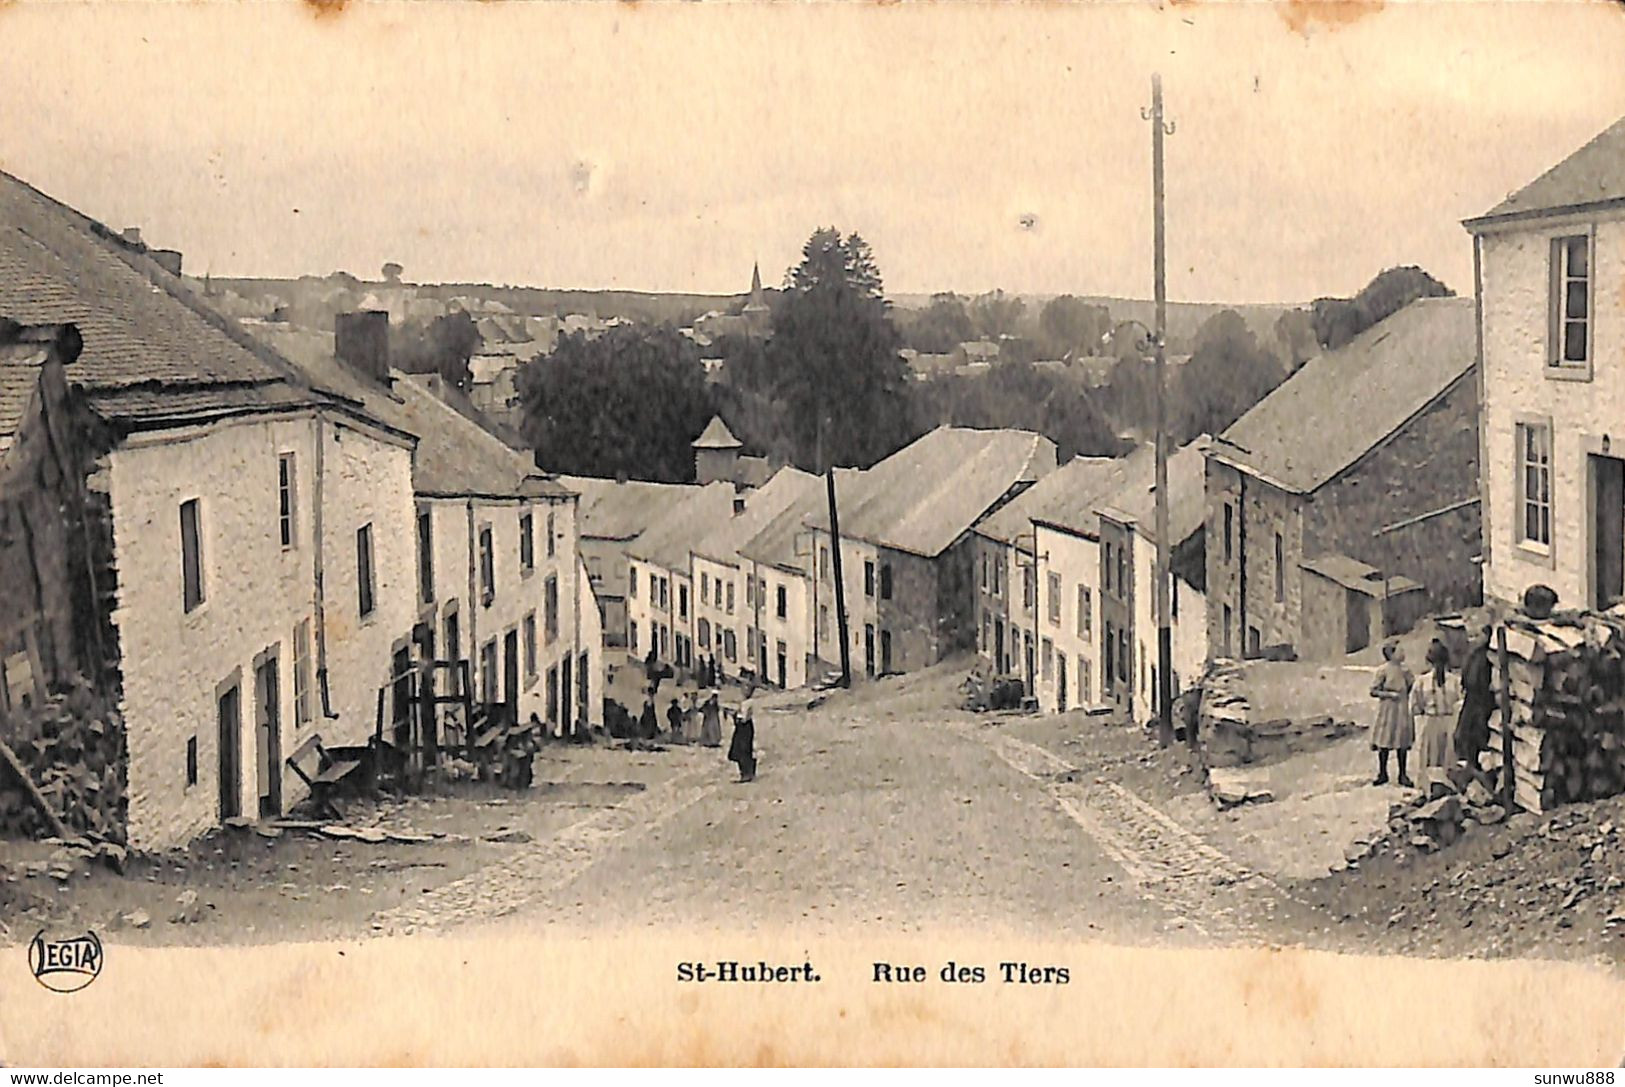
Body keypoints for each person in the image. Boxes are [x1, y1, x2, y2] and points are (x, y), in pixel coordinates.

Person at [1411, 639, 1460, 793]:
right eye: (1435, 663)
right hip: (1430, 720)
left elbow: (1460, 701)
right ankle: (1427, 788)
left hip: (1449, 720)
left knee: (1448, 755)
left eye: (1441, 663)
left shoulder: (1454, 681)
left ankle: (1449, 787)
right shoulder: (1421, 682)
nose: (1438, 666)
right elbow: (1415, 705)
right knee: (1429, 755)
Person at [1370, 641, 1415, 788]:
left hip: (1401, 709)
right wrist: (1389, 694)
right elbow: (1373, 690)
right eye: (1399, 651)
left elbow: (1411, 686)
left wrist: (1403, 697)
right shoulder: (1382, 671)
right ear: (1390, 654)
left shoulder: (1406, 671)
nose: (1403, 653)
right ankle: (1382, 773)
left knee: (1401, 740)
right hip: (1387, 709)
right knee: (1385, 739)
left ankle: (1402, 774)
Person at [1454, 624, 1494, 771]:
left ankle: (1477, 764)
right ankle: (1470, 762)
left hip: (1483, 698)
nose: (1476, 639)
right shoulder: (1473, 653)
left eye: (1479, 635)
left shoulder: (1489, 656)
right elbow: (1466, 675)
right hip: (1471, 697)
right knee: (1466, 731)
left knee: (1479, 731)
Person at [728, 690, 757, 782]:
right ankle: (747, 772)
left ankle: (746, 773)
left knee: (742, 750)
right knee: (745, 749)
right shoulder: (747, 702)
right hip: (746, 727)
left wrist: (735, 716)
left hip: (743, 728)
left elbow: (743, 718)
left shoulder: (747, 703)